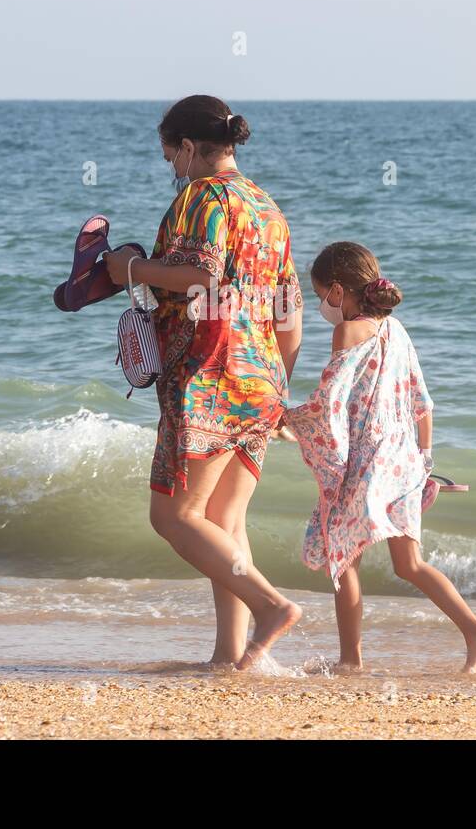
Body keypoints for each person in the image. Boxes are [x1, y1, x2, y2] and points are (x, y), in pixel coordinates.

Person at [106, 94, 304, 670]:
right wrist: (279, 389)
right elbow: (288, 310)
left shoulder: (201, 195)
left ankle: (271, 608)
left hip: (206, 376)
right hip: (261, 377)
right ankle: (229, 655)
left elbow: (202, 273)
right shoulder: (268, 208)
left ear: (190, 148)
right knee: (224, 522)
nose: (172, 168)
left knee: (173, 518)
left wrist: (130, 270)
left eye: (171, 156)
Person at [278, 241, 476, 674]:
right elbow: (423, 402)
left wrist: (284, 418)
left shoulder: (347, 331)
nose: (323, 305)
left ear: (338, 291)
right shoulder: (397, 330)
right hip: (405, 458)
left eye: (322, 294)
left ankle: (350, 659)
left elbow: (329, 401)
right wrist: (425, 460)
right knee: (410, 564)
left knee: (343, 556)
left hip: (369, 459)